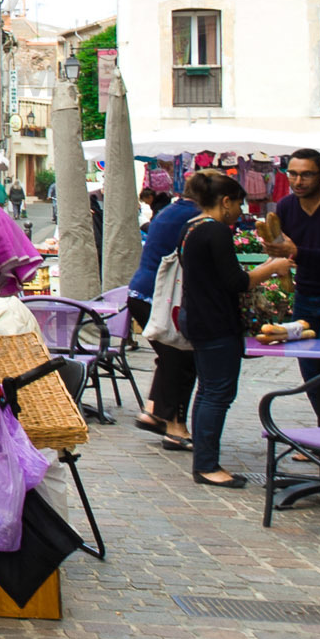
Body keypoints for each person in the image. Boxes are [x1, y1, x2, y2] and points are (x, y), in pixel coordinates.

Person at [180, 170, 293, 487]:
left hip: (197, 317)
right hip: (215, 321)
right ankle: (206, 465)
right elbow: (237, 283)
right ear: (225, 201)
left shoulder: (191, 228)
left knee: (207, 392)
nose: (241, 212)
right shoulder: (215, 231)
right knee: (218, 394)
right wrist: (272, 267)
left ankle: (204, 460)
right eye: (239, 204)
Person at [267, 148, 320, 426]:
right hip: (305, 295)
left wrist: (297, 252)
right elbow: (285, 248)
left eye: (306, 175)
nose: (298, 181)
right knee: (310, 369)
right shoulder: (286, 206)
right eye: (292, 174)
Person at [128, 184, 201, 451]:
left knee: (171, 358)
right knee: (182, 361)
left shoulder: (170, 211)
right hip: (163, 298)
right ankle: (175, 428)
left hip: (141, 293)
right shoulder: (195, 218)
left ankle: (154, 412)